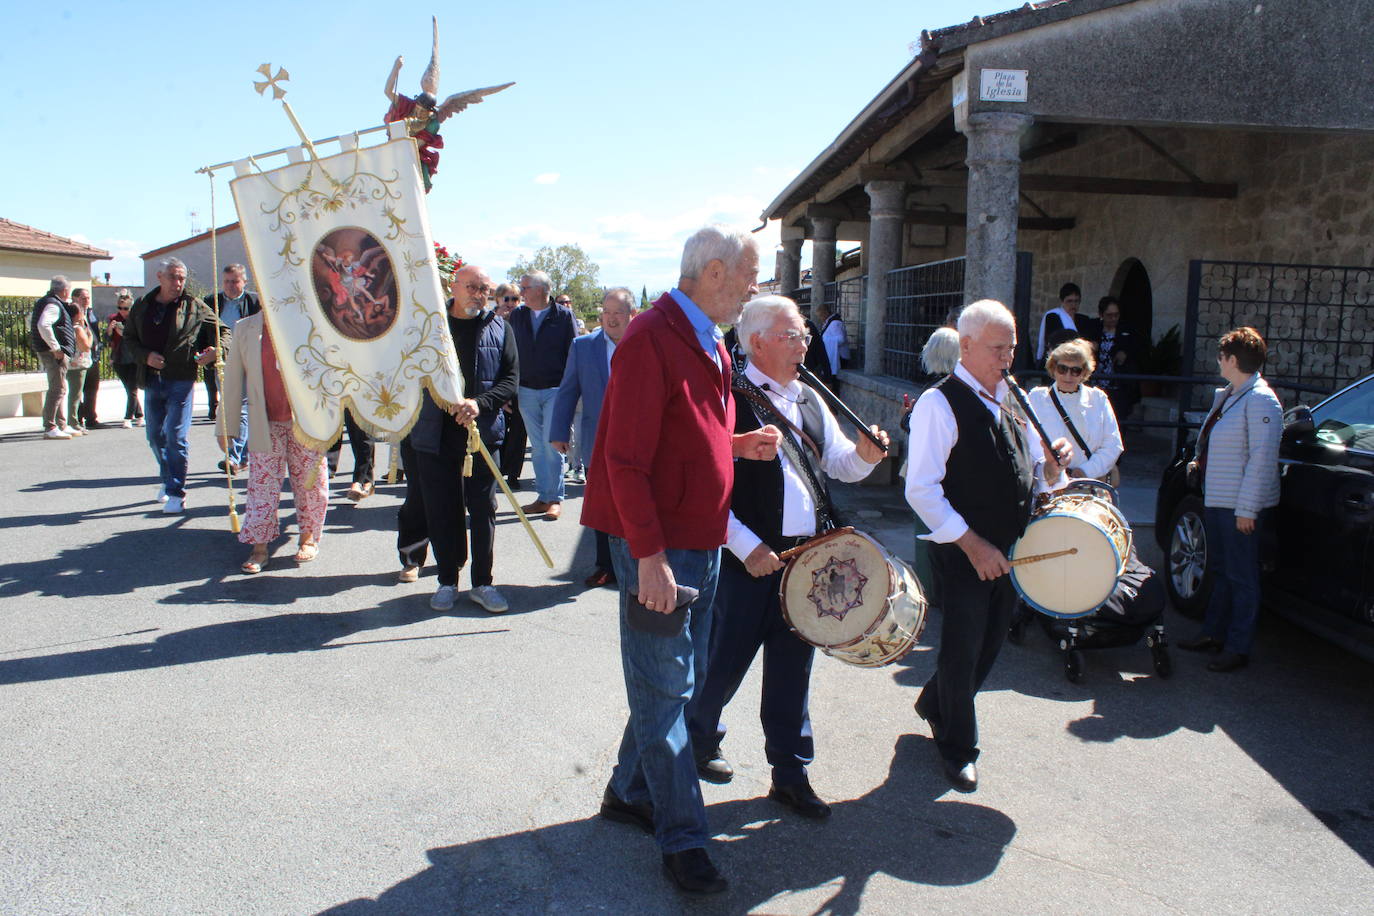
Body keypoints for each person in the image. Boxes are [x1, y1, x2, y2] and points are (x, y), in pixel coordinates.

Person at [583, 225, 780, 896]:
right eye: (750, 275)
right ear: (717, 271)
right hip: (663, 547)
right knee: (667, 691)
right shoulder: (650, 338)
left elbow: (683, 431)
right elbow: (624, 459)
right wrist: (648, 558)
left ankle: (627, 791)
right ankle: (684, 839)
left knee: (671, 680)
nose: (754, 288)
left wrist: (733, 442)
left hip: (701, 539)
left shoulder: (702, 336)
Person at [686, 295, 889, 821]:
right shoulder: (728, 395)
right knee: (720, 666)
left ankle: (790, 773)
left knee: (793, 670)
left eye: (803, 335)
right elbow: (704, 483)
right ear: (757, 342)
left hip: (807, 561)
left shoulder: (808, 395)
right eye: (793, 335)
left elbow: (839, 463)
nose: (805, 343)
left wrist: (864, 457)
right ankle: (699, 739)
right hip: (746, 561)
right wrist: (744, 545)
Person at [904, 299, 1071, 792]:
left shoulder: (1009, 398)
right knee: (962, 649)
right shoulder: (939, 403)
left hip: (1006, 546)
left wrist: (1051, 469)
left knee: (991, 644)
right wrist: (973, 546)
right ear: (967, 345)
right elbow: (921, 489)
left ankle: (937, 703)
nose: (1007, 357)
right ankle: (958, 745)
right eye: (998, 348)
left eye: (1012, 348)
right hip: (962, 550)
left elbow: (1026, 473)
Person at [396, 264, 519, 614]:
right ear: (454, 286)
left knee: (484, 511)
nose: (479, 295)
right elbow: (407, 372)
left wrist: (478, 405)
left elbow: (510, 379)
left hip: (482, 437)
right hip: (434, 436)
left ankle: (483, 582)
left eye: (484, 289)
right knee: (442, 512)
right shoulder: (430, 328)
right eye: (472, 288)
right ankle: (447, 580)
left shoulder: (500, 328)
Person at [1177, 327, 1282, 673]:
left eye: (1222, 357)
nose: (1218, 362)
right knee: (1221, 571)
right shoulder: (1233, 395)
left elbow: (1261, 459)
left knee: (1242, 577)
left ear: (1233, 360)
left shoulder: (1260, 400)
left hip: (1239, 506)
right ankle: (1213, 634)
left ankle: (1238, 647)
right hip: (1221, 499)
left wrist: (1248, 509)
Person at [217, 311, 329, 573]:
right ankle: (259, 546)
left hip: (306, 421)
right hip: (265, 420)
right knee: (262, 486)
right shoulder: (246, 328)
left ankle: (308, 538)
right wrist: (226, 425)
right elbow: (233, 379)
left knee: (311, 484)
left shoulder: (309, 320)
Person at [550, 287, 637, 587]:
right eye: (607, 312)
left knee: (637, 502)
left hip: (640, 440)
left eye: (618, 313)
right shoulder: (583, 346)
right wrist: (559, 431)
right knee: (602, 505)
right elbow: (568, 389)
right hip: (596, 439)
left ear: (631, 315)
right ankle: (606, 566)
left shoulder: (645, 344)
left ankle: (639, 561)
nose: (611, 319)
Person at [122, 257, 223, 514]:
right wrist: (145, 356)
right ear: (160, 277)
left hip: (182, 378)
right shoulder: (142, 306)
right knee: (155, 435)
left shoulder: (194, 306)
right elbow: (129, 339)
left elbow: (223, 331)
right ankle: (168, 479)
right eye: (173, 277)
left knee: (176, 436)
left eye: (181, 278)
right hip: (152, 379)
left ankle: (177, 491)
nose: (178, 283)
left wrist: (216, 351)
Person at [508, 271, 575, 518]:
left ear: (541, 290)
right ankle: (543, 496)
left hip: (555, 390)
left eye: (525, 288)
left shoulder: (563, 316)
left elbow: (573, 354)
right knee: (537, 447)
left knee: (552, 444)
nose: (520, 293)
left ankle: (555, 498)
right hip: (526, 390)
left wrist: (573, 391)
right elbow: (510, 352)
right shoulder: (518, 315)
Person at [1028, 338, 1124, 483]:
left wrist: (1085, 471)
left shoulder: (1098, 399)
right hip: (1047, 484)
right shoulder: (1036, 398)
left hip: (1088, 485)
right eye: (1062, 369)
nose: (1068, 376)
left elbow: (1113, 444)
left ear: (1084, 372)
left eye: (1075, 371)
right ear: (1053, 368)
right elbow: (1026, 442)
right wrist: (1048, 470)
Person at [205, 264, 261, 474]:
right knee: (230, 407)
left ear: (244, 282)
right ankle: (243, 456)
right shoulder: (211, 302)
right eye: (227, 281)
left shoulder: (254, 302)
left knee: (242, 406)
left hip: (248, 360)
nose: (230, 286)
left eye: (235, 281)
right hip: (223, 361)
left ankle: (234, 456)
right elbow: (204, 330)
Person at [29, 275, 76, 440]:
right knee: (57, 388)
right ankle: (50, 426)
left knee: (60, 388)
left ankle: (61, 424)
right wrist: (56, 348)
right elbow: (43, 325)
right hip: (53, 353)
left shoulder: (45, 301)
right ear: (64, 290)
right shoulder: (53, 304)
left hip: (48, 350)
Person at [492, 282, 527, 490]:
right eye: (507, 299)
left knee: (519, 433)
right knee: (498, 432)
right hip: (497, 384)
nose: (512, 303)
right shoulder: (490, 321)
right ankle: (497, 471)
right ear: (498, 299)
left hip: (521, 383)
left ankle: (514, 474)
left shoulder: (523, 320)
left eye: (515, 299)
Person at [1092, 295, 1141, 421]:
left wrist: (1126, 353)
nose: (1113, 318)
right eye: (1109, 315)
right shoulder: (1093, 328)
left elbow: (1139, 349)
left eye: (1116, 315)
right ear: (1101, 314)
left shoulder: (1127, 330)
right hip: (1096, 384)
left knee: (1117, 421)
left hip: (1118, 386)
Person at [107, 290, 144, 428]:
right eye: (120, 308)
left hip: (134, 359)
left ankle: (128, 417)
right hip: (120, 358)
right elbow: (108, 340)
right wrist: (110, 331)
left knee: (133, 389)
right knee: (129, 389)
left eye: (126, 308)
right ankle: (140, 415)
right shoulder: (114, 319)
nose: (122, 311)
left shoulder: (137, 319)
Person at [65, 290, 95, 436]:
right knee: (75, 395)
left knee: (74, 394)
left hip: (72, 364)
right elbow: (86, 346)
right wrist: (89, 334)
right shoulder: (77, 328)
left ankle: (74, 421)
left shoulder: (69, 326)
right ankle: (73, 422)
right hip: (78, 364)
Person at [1037, 282, 1092, 360]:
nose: (1073, 304)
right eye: (1069, 301)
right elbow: (1054, 341)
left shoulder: (1084, 320)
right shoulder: (1053, 317)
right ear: (1062, 301)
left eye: (1076, 301)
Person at [75, 288, 103, 430]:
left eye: (87, 298)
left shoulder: (90, 313)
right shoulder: (72, 313)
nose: (86, 300)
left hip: (93, 355)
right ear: (75, 298)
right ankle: (78, 418)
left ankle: (91, 418)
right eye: (83, 298)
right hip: (79, 356)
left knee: (92, 388)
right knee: (78, 389)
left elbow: (95, 332)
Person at [815, 300, 848, 380]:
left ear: (826, 313)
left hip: (839, 357)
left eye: (821, 316)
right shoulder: (829, 322)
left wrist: (825, 340)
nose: (820, 318)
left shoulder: (835, 323)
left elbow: (841, 339)